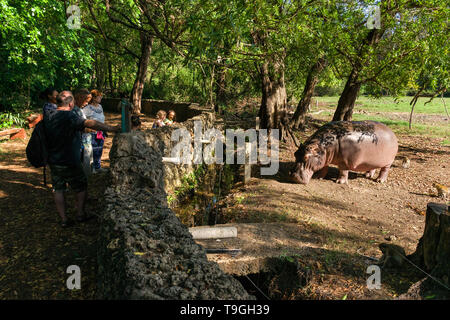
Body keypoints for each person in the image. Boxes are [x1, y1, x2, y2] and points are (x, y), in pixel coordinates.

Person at [44, 91, 120, 228]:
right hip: (70, 159)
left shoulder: (49, 114)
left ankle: (64, 219)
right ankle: (80, 214)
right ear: (71, 103)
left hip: (53, 159)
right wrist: (111, 128)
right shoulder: (69, 116)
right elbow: (90, 123)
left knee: (58, 189)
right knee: (81, 186)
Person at [84, 90, 106, 174]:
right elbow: (84, 121)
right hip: (92, 133)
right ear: (93, 98)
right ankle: (92, 168)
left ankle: (98, 166)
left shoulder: (100, 107)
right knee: (92, 150)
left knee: (99, 149)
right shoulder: (87, 108)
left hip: (101, 132)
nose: (101, 98)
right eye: (99, 96)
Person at [74, 88, 94, 177]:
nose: (87, 103)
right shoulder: (74, 110)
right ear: (79, 98)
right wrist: (91, 129)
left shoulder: (79, 109)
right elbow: (78, 126)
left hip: (84, 139)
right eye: (86, 101)